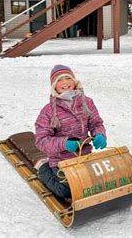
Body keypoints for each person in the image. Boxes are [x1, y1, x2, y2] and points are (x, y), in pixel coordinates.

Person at [34, 64, 107, 199]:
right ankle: (45, 169)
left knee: (99, 184)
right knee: (67, 191)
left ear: (74, 81)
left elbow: (96, 123)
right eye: (59, 80)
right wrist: (64, 143)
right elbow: (41, 141)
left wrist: (100, 134)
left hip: (84, 155)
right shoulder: (49, 111)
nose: (65, 83)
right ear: (54, 86)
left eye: (68, 78)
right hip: (61, 160)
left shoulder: (87, 102)